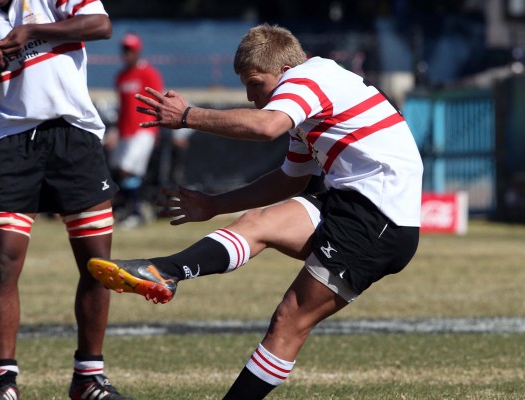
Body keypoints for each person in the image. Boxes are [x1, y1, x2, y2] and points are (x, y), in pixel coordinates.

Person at [87, 24, 423, 399]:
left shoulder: (307, 78)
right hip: (351, 203)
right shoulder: (309, 98)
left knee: (288, 322)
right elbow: (290, 181)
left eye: (254, 83)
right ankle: (165, 271)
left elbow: (267, 128)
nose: (250, 96)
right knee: (257, 223)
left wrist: (188, 116)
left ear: (282, 71)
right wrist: (215, 205)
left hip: (379, 220)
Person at [0, 1, 130, 400]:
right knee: (4, 260)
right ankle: (4, 382)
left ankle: (88, 377)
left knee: (98, 264)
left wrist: (33, 32)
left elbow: (101, 25)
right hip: (12, 143)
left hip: (74, 132)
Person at [107, 33, 164, 228]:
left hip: (143, 130)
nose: (126, 54)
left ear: (138, 51)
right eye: (124, 49)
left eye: (130, 50)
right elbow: (122, 107)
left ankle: (136, 211)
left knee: (127, 169)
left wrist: (155, 129)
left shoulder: (149, 73)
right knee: (123, 170)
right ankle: (133, 209)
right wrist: (116, 131)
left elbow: (158, 103)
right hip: (125, 131)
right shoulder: (121, 76)